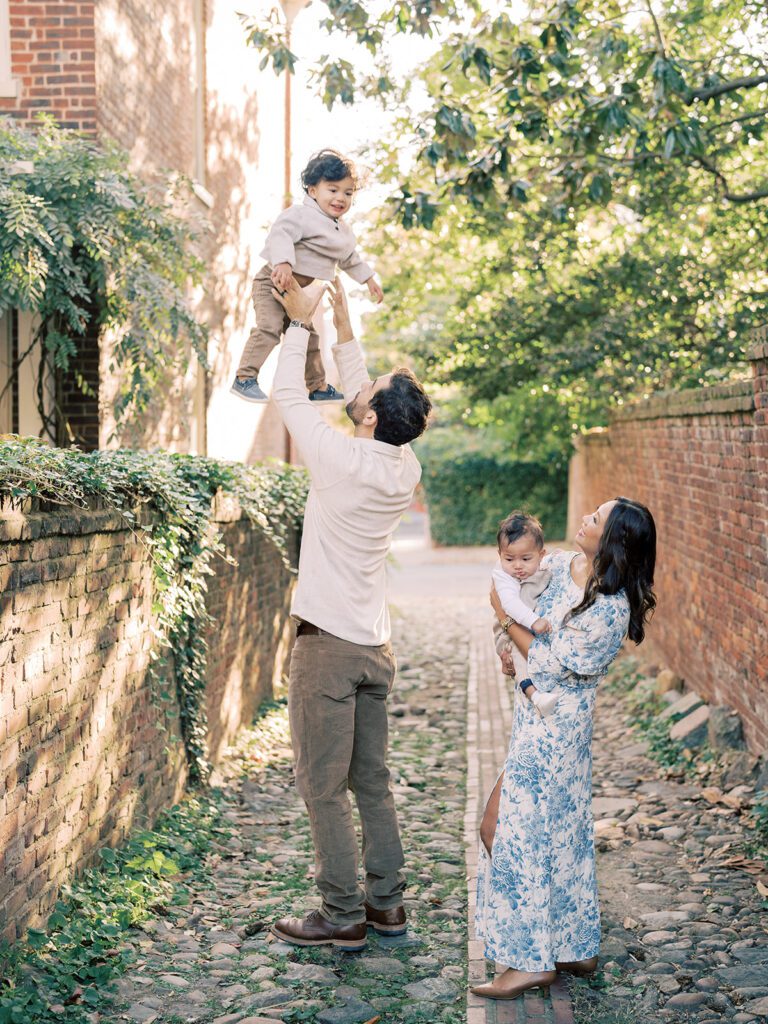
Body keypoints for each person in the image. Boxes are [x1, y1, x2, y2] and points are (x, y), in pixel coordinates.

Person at [266, 275, 431, 952]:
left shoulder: (336, 460)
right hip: (374, 649)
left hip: (328, 649)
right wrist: (343, 319)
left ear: (368, 418)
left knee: (321, 785)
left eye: (366, 400)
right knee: (373, 783)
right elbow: (363, 390)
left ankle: (340, 914)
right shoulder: (404, 466)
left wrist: (302, 322)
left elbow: (285, 395)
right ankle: (387, 906)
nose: (360, 396)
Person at [473, 497, 656, 1000]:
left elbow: (553, 662)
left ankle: (531, 961)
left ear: (614, 539)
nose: (585, 520)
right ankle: (573, 945)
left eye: (596, 520)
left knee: (506, 830)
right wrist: (507, 642)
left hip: (559, 731)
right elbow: (507, 584)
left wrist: (506, 622)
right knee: (556, 833)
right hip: (532, 719)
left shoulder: (610, 607)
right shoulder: (557, 565)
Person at [231, 148, 383, 404]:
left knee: (311, 338)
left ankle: (317, 387)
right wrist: (284, 262)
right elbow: (281, 234)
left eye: (347, 193)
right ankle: (245, 378)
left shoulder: (342, 233)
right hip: (272, 283)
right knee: (268, 328)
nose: (340, 198)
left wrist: (368, 279)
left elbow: (349, 258)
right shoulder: (301, 215)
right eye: (332, 190)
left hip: (296, 295)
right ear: (313, 191)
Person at [491, 511, 557, 718]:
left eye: (526, 558)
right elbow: (508, 604)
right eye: (509, 558)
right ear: (500, 554)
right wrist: (534, 621)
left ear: (541, 555)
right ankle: (535, 696)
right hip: (508, 633)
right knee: (518, 659)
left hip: (522, 626)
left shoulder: (542, 564)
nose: (517, 566)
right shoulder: (503, 576)